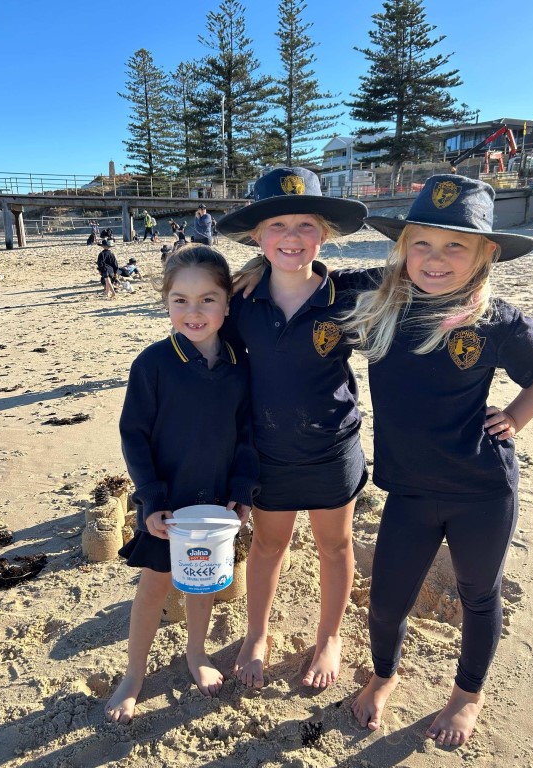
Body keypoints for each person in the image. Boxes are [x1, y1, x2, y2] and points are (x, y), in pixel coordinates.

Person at [338, 175, 533, 746]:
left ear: (486, 253)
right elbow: (307, 279)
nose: (435, 259)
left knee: (478, 594)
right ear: (403, 248)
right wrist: (251, 273)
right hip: (409, 491)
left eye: (455, 245)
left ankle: (467, 695)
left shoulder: (497, 320)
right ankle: (383, 676)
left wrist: (516, 416)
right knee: (385, 602)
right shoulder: (382, 303)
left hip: (481, 490)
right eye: (422, 243)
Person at [216, 167, 369, 690]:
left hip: (332, 449)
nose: (291, 236)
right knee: (268, 545)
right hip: (269, 451)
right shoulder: (239, 301)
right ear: (257, 237)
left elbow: (420, 278)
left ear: (324, 234)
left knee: (335, 546)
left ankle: (329, 637)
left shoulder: (348, 294)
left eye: (305, 224)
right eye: (277, 225)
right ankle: (257, 633)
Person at [104, 244, 260, 723]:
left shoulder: (239, 364)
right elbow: (134, 436)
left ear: (227, 303)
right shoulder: (153, 363)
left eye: (208, 299)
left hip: (215, 502)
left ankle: (197, 651)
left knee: (202, 582)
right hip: (166, 504)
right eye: (181, 300)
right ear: (166, 302)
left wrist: (242, 489)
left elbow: (247, 433)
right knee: (154, 586)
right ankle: (134, 674)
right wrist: (151, 498)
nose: (194, 312)